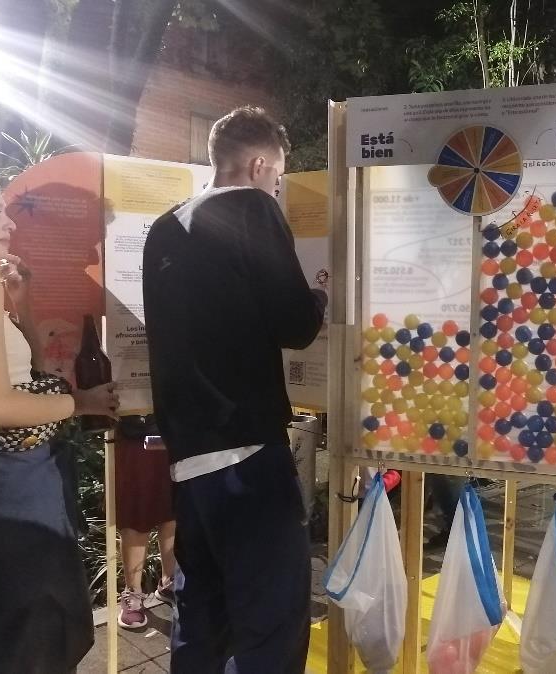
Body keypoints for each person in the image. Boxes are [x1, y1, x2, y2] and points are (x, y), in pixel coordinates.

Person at [142, 107, 327, 673]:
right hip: (247, 452)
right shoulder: (252, 209)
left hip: (188, 459)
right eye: (278, 177)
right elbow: (296, 324)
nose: (277, 188)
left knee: (200, 616)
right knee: (270, 622)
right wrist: (320, 298)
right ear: (258, 165)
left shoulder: (164, 226)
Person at [0, 168, 118, 672]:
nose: (9, 222)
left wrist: (23, 306)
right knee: (31, 631)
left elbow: (23, 373)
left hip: (0, 486)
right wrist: (82, 403)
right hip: (8, 490)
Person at [115, 416, 176, 630]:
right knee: (136, 513)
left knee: (172, 511)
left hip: (173, 428)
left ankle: (170, 582)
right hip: (134, 431)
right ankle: (133, 592)